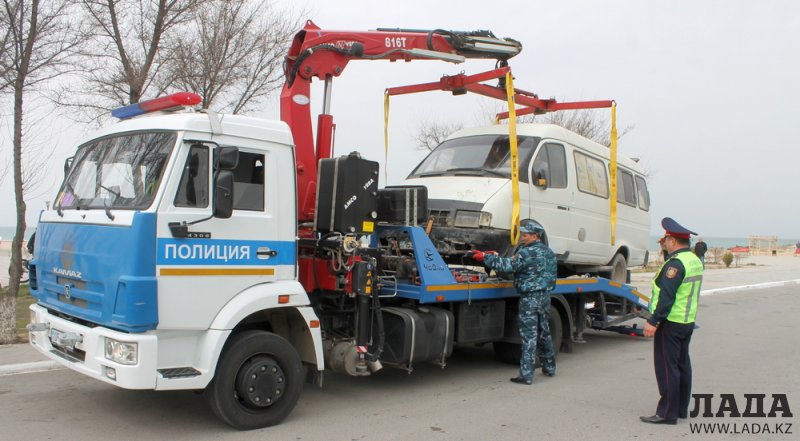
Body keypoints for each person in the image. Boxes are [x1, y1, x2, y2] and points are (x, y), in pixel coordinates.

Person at [471, 219, 557, 385]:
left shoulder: (526, 253)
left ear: (535, 235)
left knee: (528, 336)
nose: (522, 238)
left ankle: (526, 375)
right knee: (544, 331)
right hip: (545, 296)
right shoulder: (549, 252)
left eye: (525, 235)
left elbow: (508, 266)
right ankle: (550, 367)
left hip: (530, 297)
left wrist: (485, 257)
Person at [640, 217, 704, 425]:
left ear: (673, 241)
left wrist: (653, 321)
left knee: (668, 368)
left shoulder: (675, 265)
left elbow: (667, 297)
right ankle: (680, 408)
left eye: (666, 238)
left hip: (671, 323)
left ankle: (667, 413)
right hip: (686, 321)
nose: (664, 242)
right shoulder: (694, 260)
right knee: (682, 365)